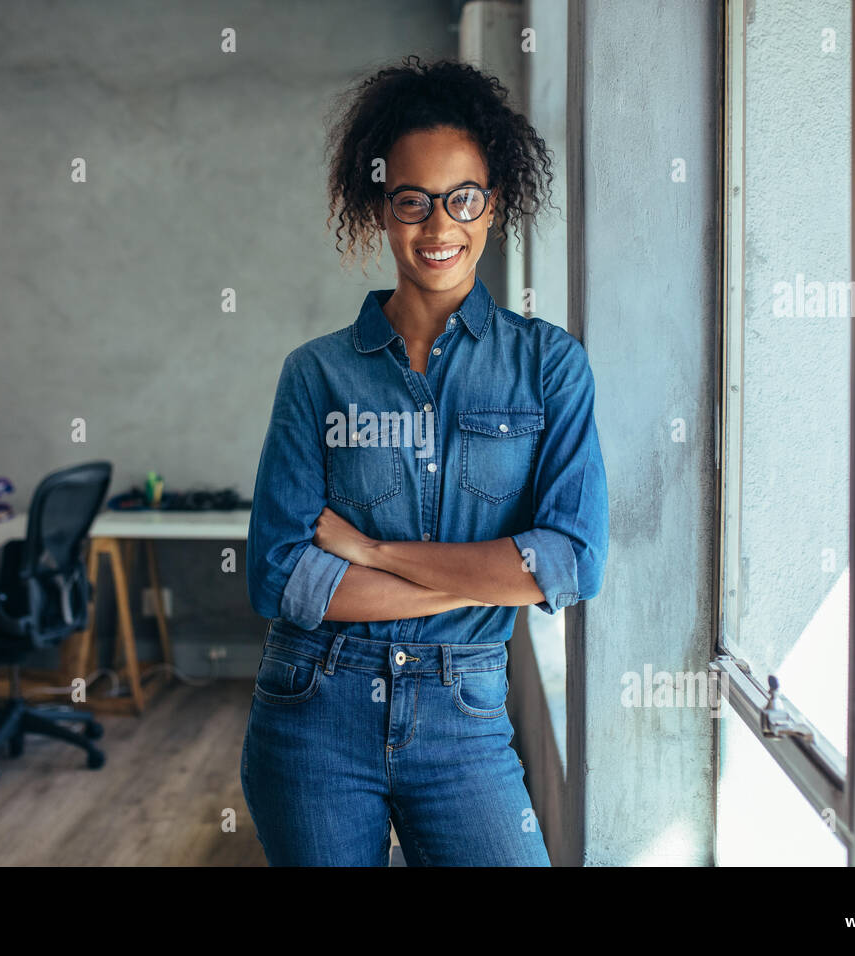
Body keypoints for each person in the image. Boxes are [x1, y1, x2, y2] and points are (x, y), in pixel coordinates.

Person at [241, 55, 609, 866]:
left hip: (465, 715)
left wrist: (374, 554)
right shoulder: (317, 374)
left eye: (462, 199)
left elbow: (573, 561)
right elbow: (278, 575)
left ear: (494, 205)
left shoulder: (549, 366)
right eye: (412, 200)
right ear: (381, 209)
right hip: (314, 712)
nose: (438, 226)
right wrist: (486, 577)